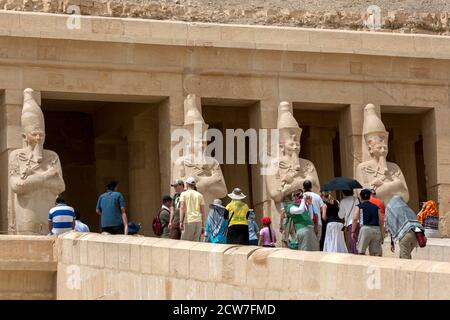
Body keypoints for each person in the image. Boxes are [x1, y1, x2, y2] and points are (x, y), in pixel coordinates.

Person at [352, 189, 384, 256]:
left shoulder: (359, 206)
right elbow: (381, 220)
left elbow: (355, 219)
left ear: (360, 197)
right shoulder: (376, 207)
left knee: (361, 252)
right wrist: (382, 233)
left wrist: (353, 231)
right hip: (376, 229)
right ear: (370, 196)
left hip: (365, 229)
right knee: (376, 254)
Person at [179, 177, 206, 242]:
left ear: (187, 184)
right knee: (195, 244)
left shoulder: (183, 194)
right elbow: (203, 212)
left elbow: (182, 208)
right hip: (198, 222)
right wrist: (203, 226)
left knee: (186, 243)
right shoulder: (200, 195)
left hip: (188, 221)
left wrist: (181, 221)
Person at [303, 180, 326, 244]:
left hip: (305, 224)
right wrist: (323, 215)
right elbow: (323, 206)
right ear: (311, 187)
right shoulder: (317, 196)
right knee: (317, 243)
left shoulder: (302, 196)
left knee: (307, 244)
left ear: (303, 187)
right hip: (317, 222)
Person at [338, 189, 360, 254]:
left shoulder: (343, 201)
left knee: (351, 244)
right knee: (357, 242)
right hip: (358, 223)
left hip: (350, 224)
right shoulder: (356, 199)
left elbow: (341, 216)